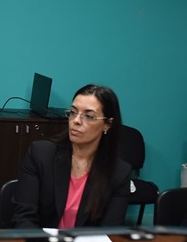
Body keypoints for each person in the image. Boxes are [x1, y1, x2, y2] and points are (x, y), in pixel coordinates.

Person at [12, 84, 131, 228]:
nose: (76, 121)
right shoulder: (41, 154)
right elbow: (24, 218)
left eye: (88, 116)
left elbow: (109, 230)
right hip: (41, 240)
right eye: (73, 112)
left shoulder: (118, 172)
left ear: (107, 124)